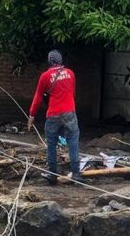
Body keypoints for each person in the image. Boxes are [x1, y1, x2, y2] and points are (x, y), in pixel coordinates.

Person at [27, 50, 84, 185]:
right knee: (73, 142)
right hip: (69, 112)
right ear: (60, 60)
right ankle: (76, 174)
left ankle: (52, 174)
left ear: (49, 61)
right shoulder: (70, 73)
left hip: (53, 114)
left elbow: (38, 97)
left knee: (51, 145)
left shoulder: (45, 76)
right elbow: (73, 93)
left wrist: (32, 115)